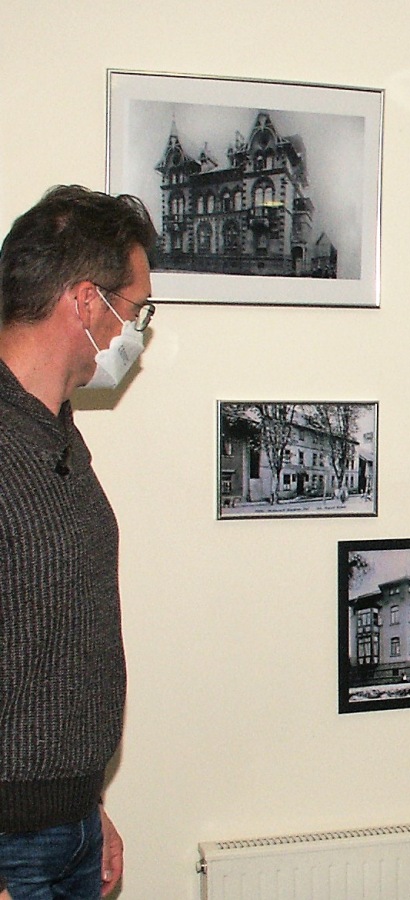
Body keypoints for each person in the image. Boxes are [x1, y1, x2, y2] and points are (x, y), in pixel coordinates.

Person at [0, 185, 157, 899]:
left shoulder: (55, 429)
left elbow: (49, 634)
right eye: (135, 311)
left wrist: (85, 805)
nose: (135, 332)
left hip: (66, 830)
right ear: (86, 301)